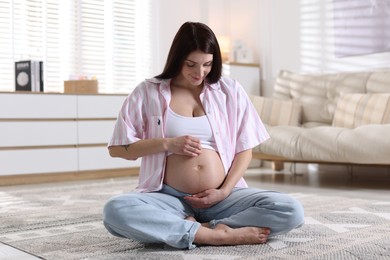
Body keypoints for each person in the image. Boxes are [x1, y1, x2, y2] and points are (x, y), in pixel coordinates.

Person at [103, 21, 304, 249]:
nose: (200, 73)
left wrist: (224, 191)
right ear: (177, 58)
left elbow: (245, 150)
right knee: (115, 211)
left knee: (291, 210)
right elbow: (117, 148)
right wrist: (167, 144)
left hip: (223, 198)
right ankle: (213, 235)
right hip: (169, 199)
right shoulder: (148, 91)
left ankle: (202, 227)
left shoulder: (230, 90)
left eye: (207, 64)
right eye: (191, 64)